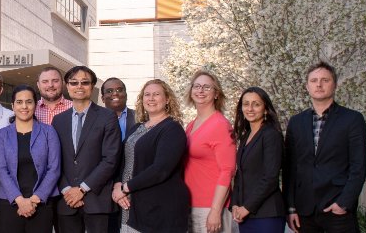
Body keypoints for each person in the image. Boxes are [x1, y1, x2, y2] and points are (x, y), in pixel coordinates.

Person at [284, 62, 366, 233]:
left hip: (337, 208)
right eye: (314, 80)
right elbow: (290, 168)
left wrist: (344, 203)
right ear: (307, 86)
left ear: (335, 84)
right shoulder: (296, 122)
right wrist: (291, 207)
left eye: (325, 80)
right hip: (304, 211)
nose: (319, 84)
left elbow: (358, 166)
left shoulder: (352, 119)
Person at [111, 79, 189, 232]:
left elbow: (161, 169)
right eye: (147, 95)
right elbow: (123, 161)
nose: (151, 98)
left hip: (160, 208)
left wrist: (125, 187)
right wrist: (117, 185)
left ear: (167, 99)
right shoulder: (137, 128)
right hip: (131, 206)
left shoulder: (172, 129)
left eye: (156, 94)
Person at [52, 66, 121, 233]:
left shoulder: (108, 117)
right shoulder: (58, 120)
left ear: (92, 86)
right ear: (67, 86)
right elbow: (54, 161)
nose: (79, 86)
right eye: (74, 83)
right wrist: (68, 190)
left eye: (85, 82)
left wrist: (82, 189)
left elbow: (111, 159)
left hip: (96, 199)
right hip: (66, 201)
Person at [0, 85, 60, 233]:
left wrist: (36, 198)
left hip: (41, 203)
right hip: (9, 203)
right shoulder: (2, 135)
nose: (24, 106)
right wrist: (19, 200)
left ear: (35, 105)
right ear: (13, 105)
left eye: (29, 102)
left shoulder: (48, 132)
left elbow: (54, 169)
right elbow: (1, 170)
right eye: (19, 102)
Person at [183, 70, 237, 233]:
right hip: (190, 203)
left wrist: (215, 211)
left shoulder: (220, 125)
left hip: (209, 206)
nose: (200, 90)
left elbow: (227, 171)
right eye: (197, 86)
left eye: (207, 87)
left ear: (216, 94)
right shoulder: (191, 125)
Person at [229, 87, 285, 232]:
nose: (250, 108)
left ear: (265, 109)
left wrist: (247, 207)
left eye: (256, 104)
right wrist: (235, 204)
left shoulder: (271, 135)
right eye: (246, 104)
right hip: (245, 215)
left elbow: (270, 178)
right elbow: (240, 174)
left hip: (267, 215)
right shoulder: (246, 136)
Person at [100, 77, 134, 233]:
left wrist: (123, 185)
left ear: (126, 94)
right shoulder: (95, 121)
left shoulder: (141, 118)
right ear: (102, 97)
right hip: (103, 189)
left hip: (133, 188)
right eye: (109, 91)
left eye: (120, 90)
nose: (116, 93)